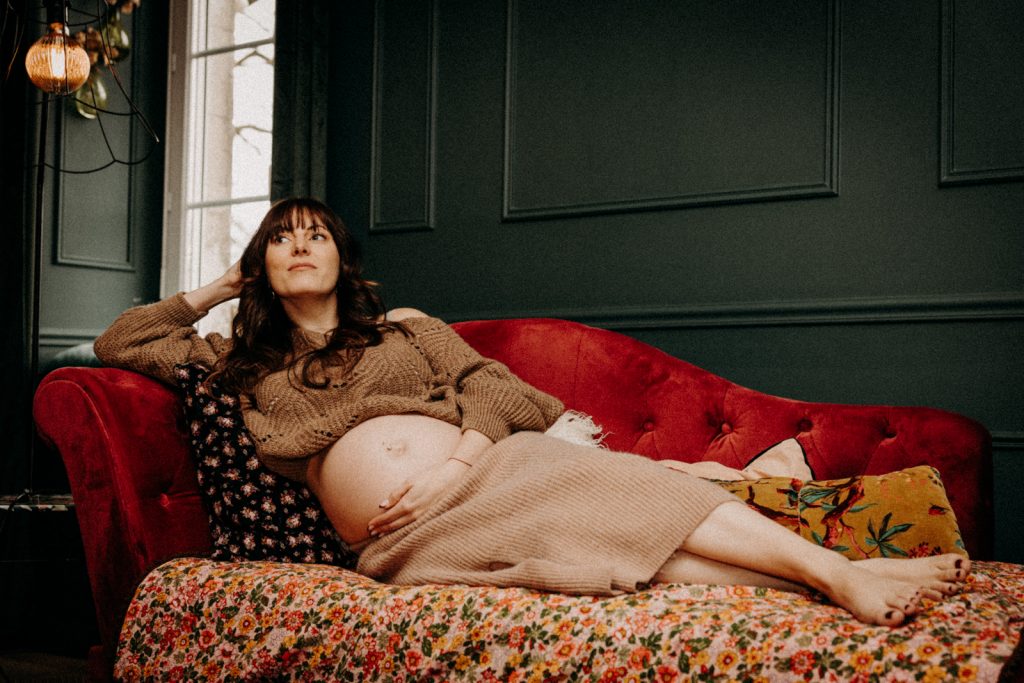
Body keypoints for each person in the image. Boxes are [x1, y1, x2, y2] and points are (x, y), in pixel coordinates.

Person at [94, 197, 970, 627]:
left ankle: (834, 574)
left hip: (491, 470)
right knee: (608, 559)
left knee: (622, 498)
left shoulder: (406, 327)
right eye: (280, 237)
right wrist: (221, 285)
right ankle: (824, 580)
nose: (298, 243)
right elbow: (120, 341)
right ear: (260, 264)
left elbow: (497, 389)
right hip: (397, 542)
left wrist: (455, 460)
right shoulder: (237, 362)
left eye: (314, 232)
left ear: (343, 259)